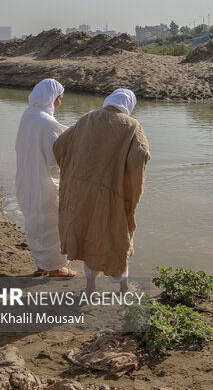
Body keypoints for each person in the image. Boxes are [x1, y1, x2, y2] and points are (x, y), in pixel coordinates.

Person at [53, 89, 150, 294]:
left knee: (89, 235)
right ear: (129, 105)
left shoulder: (86, 118)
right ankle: (123, 287)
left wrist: (74, 173)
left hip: (80, 191)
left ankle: (90, 286)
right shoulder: (132, 126)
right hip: (109, 193)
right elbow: (139, 155)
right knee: (116, 236)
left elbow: (60, 145)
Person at [15, 79, 75, 277]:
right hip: (44, 182)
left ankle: (42, 264)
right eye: (60, 99)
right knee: (52, 226)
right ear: (53, 98)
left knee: (35, 223)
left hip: (26, 179)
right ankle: (56, 268)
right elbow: (54, 158)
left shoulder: (29, 114)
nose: (60, 103)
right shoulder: (47, 122)